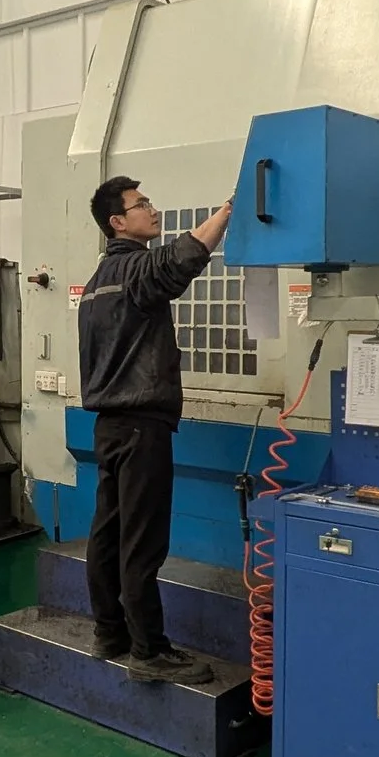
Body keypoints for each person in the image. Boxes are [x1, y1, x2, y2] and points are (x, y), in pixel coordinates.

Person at [77, 175, 233, 683]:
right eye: (142, 205)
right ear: (117, 222)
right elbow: (179, 260)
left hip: (108, 427)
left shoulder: (98, 280)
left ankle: (109, 632)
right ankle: (149, 651)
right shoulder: (135, 269)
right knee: (142, 543)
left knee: (108, 533)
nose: (152, 209)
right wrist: (229, 211)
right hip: (142, 424)